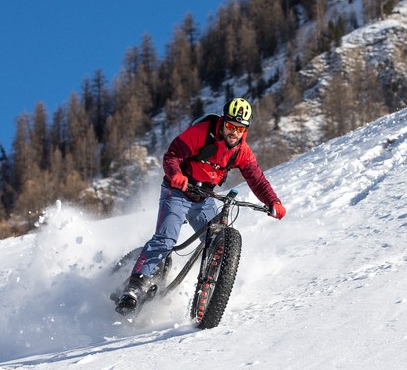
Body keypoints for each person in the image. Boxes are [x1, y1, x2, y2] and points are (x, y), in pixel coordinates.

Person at [115, 97, 286, 314]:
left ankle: (211, 289)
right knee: (166, 240)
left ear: (246, 131)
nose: (234, 132)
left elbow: (257, 179)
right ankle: (133, 289)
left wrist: (273, 201)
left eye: (240, 129)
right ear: (223, 122)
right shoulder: (203, 132)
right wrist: (176, 174)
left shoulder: (242, 151)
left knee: (215, 240)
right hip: (178, 191)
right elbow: (172, 155)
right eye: (230, 126)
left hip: (204, 198)